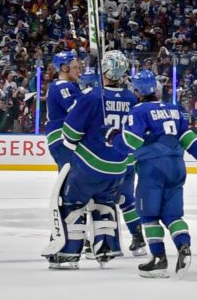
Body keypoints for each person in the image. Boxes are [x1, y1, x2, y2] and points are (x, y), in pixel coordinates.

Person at [45, 50, 136, 269]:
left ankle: (69, 250)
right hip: (115, 162)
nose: (81, 69)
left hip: (88, 157)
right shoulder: (131, 98)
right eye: (76, 66)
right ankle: (105, 246)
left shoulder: (92, 95)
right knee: (103, 201)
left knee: (72, 200)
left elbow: (74, 130)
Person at [119, 70, 197, 278]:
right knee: (173, 215)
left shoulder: (138, 111)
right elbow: (187, 137)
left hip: (152, 168)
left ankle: (159, 259)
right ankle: (183, 246)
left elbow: (131, 142)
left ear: (137, 91)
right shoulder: (174, 109)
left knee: (149, 215)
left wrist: (113, 140)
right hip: (177, 167)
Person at [46, 50, 81, 169]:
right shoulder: (63, 86)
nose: (78, 70)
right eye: (75, 67)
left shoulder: (63, 85)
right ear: (65, 68)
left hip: (62, 139)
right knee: (72, 180)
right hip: (63, 138)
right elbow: (77, 112)